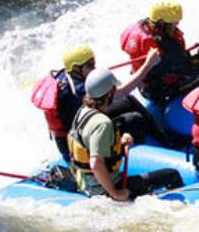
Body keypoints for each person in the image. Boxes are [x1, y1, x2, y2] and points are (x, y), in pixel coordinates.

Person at [31, 44, 163, 161]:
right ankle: (132, 159)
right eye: (90, 65)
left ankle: (164, 139)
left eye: (94, 63)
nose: (94, 68)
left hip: (82, 123)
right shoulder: (79, 90)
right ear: (76, 69)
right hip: (77, 141)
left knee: (129, 101)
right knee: (134, 120)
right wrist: (148, 65)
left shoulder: (68, 75)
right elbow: (122, 91)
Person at [68, 68, 184, 201]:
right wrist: (116, 193)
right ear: (109, 94)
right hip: (106, 191)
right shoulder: (102, 123)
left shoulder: (82, 111)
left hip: (86, 185)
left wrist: (119, 141)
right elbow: (96, 164)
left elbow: (87, 143)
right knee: (172, 175)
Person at [120, 1, 199, 104]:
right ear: (162, 23)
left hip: (143, 84)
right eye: (174, 23)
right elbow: (184, 68)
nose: (177, 25)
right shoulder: (159, 44)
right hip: (158, 91)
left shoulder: (138, 28)